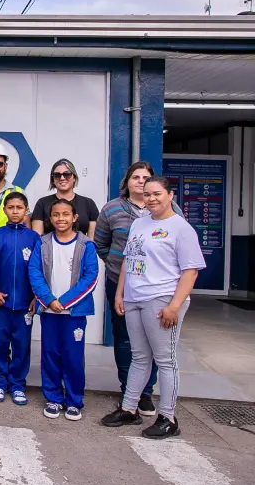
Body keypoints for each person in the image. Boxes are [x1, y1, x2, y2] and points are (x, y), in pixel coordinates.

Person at [102, 176, 206, 439]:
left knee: (165, 360)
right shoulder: (139, 223)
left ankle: (168, 417)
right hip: (134, 298)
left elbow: (190, 272)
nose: (151, 199)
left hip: (161, 300)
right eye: (147, 194)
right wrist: (121, 292)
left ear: (170, 195)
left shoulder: (181, 228)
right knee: (139, 357)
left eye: (157, 194)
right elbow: (128, 259)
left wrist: (174, 305)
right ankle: (129, 409)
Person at [94, 160, 179, 416]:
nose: (141, 182)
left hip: (156, 288)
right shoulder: (111, 209)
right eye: (136, 177)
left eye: (145, 178)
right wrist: (115, 265)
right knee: (124, 338)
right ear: (127, 182)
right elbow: (100, 244)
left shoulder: (171, 212)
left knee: (154, 343)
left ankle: (146, 393)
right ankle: (127, 388)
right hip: (121, 283)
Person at [28, 199, 99, 421]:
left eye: (65, 214)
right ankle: (53, 398)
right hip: (50, 312)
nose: (61, 219)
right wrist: (49, 300)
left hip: (74, 313)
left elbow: (91, 277)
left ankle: (74, 400)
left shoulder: (86, 245)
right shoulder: (43, 243)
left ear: (75, 217)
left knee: (73, 357)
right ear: (50, 218)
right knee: (50, 355)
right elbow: (35, 272)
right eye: (56, 215)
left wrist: (65, 302)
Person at [0, 192, 42, 406]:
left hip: (24, 304)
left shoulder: (34, 238)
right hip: (1, 302)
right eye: (10, 207)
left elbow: (39, 270)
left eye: (19, 208)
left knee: (21, 345)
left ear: (26, 210)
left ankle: (18, 384)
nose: (15, 211)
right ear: (4, 210)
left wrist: (36, 297)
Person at [30, 159, 100, 238]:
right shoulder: (42, 203)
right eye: (57, 175)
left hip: (81, 249)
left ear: (74, 178)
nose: (62, 178)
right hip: (49, 249)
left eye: (67, 174)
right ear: (53, 180)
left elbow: (92, 239)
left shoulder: (88, 203)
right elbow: (37, 237)